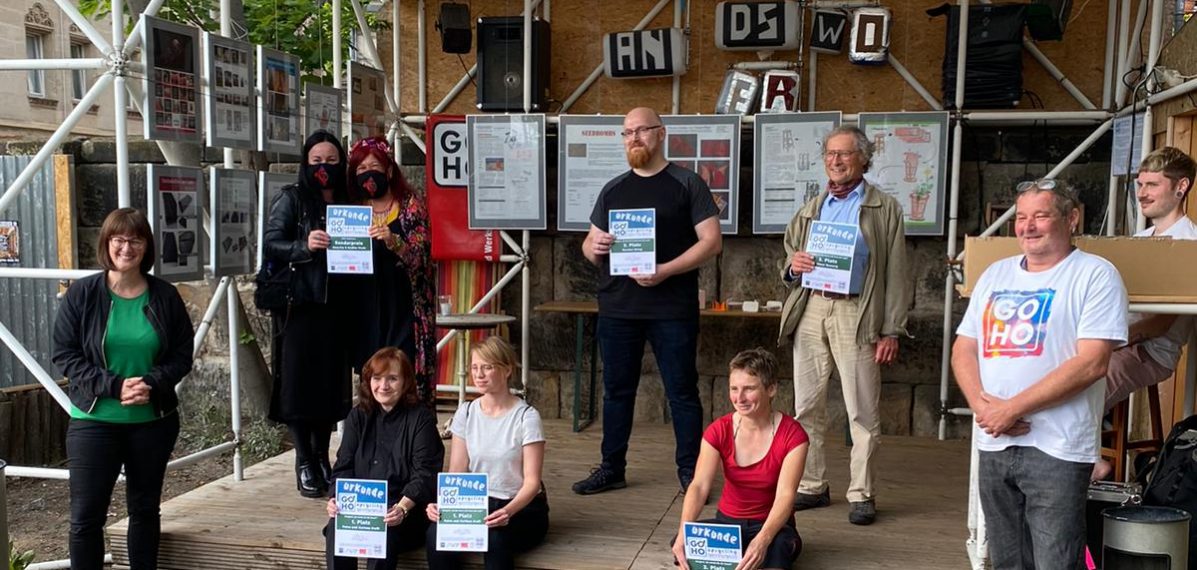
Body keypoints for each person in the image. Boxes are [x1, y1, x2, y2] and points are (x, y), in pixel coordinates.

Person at [952, 179, 1128, 569]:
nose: (1027, 226)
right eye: (1022, 217)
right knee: (1006, 559)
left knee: (1056, 560)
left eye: (1041, 216)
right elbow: (964, 348)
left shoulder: (1096, 275)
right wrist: (984, 406)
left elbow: (1092, 362)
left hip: (1058, 447)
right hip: (994, 440)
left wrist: (1011, 408)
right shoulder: (996, 274)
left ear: (1072, 219)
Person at [574, 107, 723, 495]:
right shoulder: (613, 189)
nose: (634, 138)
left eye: (641, 130)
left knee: (682, 392)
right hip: (618, 307)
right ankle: (612, 467)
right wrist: (596, 244)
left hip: (671, 308)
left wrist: (667, 269)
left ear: (661, 134)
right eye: (627, 133)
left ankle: (691, 472)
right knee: (616, 391)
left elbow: (712, 242)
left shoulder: (687, 183)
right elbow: (589, 248)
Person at [777, 125, 910, 525]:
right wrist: (792, 267)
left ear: (864, 159)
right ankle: (812, 485)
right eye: (830, 154)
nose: (835, 161)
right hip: (812, 308)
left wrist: (891, 329)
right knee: (806, 405)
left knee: (862, 409)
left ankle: (862, 493)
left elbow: (898, 273)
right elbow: (789, 258)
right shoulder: (812, 207)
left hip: (858, 312)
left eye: (845, 154)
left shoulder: (884, 208)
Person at [52, 208, 195, 570]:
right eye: (118, 239)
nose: (126, 247)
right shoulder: (83, 294)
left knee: (145, 510)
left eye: (135, 240)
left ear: (147, 247)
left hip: (153, 420)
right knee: (86, 517)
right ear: (106, 243)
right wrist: (114, 386)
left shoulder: (165, 296)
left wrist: (151, 382)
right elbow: (64, 355)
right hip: (94, 419)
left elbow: (182, 355)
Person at [1092, 147, 1196, 480]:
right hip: (1123, 341)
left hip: (1148, 351)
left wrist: (1110, 341)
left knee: (1079, 385)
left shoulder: (1188, 243)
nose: (1142, 193)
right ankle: (1089, 442)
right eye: (1140, 185)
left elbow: (1161, 322)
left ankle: (1087, 463)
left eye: (1152, 185)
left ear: (1181, 187)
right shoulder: (1141, 239)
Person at [263, 129, 353, 498]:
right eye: (316, 161)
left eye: (331, 161)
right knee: (299, 385)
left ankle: (322, 456)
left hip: (338, 305)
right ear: (305, 163)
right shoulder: (292, 198)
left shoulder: (351, 199)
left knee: (330, 386)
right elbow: (271, 241)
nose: (324, 167)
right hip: (299, 306)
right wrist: (304, 245)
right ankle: (303, 460)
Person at [671, 348, 808, 570]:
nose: (739, 398)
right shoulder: (719, 430)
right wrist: (683, 532)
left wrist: (762, 541)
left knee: (778, 548)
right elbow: (699, 485)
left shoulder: (793, 435)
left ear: (771, 388)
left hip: (771, 527)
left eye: (749, 389)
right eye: (734, 389)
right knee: (684, 547)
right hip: (727, 526)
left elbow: (786, 495)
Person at [425, 336, 549, 569]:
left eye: (487, 367)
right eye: (474, 368)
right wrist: (444, 505)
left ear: (507, 370)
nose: (479, 374)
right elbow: (457, 472)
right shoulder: (467, 412)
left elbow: (532, 482)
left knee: (495, 539)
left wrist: (507, 512)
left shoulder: (527, 416)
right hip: (476, 503)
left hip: (518, 506)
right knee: (435, 535)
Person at [324, 347, 445, 570]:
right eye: (377, 378)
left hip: (404, 512)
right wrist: (334, 498)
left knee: (384, 533)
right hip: (361, 507)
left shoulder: (421, 419)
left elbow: (425, 475)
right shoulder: (358, 416)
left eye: (392, 378)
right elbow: (344, 465)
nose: (383, 386)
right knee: (336, 528)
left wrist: (401, 508)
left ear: (406, 381)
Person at [345, 136, 437, 408]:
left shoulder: (409, 205)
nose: (368, 174)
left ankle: (410, 438)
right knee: (371, 372)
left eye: (374, 166)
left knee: (402, 368)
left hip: (404, 304)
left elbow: (422, 256)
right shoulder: (350, 207)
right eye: (360, 169)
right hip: (365, 305)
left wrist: (393, 240)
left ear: (389, 169)